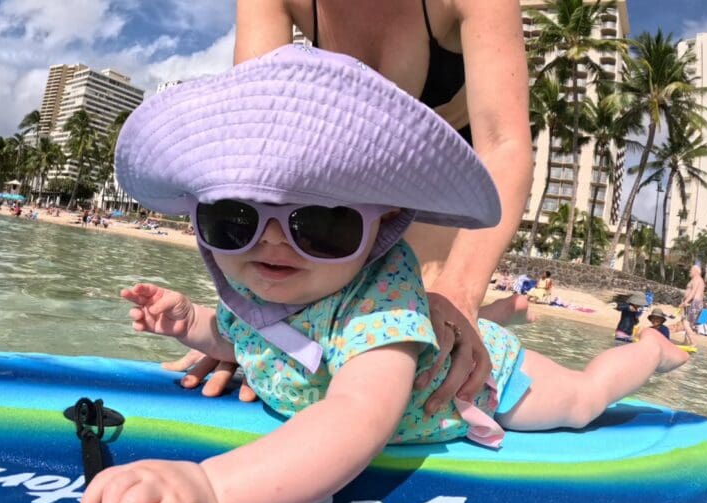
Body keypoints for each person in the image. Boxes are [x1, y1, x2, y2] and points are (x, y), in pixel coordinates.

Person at [81, 48, 689, 503]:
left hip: (477, 384)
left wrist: (212, 489)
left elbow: (355, 420)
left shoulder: (381, 300)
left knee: (580, 401)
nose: (270, 244)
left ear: (384, 225)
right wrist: (191, 322)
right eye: (233, 220)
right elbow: (239, 340)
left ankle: (650, 350)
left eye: (319, 224)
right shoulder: (252, 290)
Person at [165, 0, 533, 413]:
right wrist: (255, 326)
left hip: (445, 175)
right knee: (326, 307)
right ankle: (504, 311)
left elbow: (504, 145)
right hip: (345, 188)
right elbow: (258, 164)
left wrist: (460, 293)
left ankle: (494, 316)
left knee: (427, 334)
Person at [680, 264, 706, 332]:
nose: (690, 272)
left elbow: (693, 291)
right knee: (688, 322)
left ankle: (692, 341)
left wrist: (686, 301)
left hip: (694, 302)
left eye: (691, 270)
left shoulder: (697, 279)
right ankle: (687, 341)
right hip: (694, 302)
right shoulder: (698, 279)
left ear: (696, 271)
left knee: (687, 322)